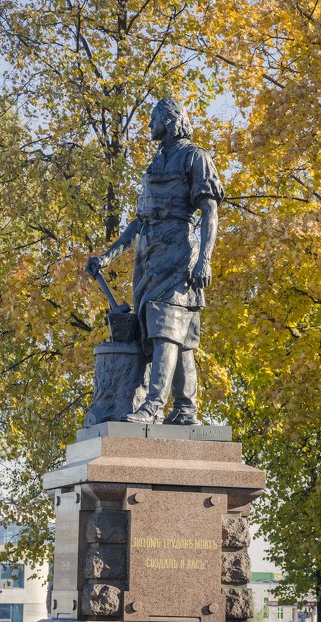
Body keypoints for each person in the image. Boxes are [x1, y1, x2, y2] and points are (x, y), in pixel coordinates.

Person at [86, 98, 223, 425]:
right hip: (149, 256)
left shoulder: (196, 157)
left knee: (166, 328)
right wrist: (108, 256)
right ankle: (186, 408)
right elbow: (139, 221)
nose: (149, 127)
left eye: (153, 120)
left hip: (177, 249)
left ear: (170, 120)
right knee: (179, 335)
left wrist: (205, 259)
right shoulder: (156, 163)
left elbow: (211, 211)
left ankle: (153, 406)